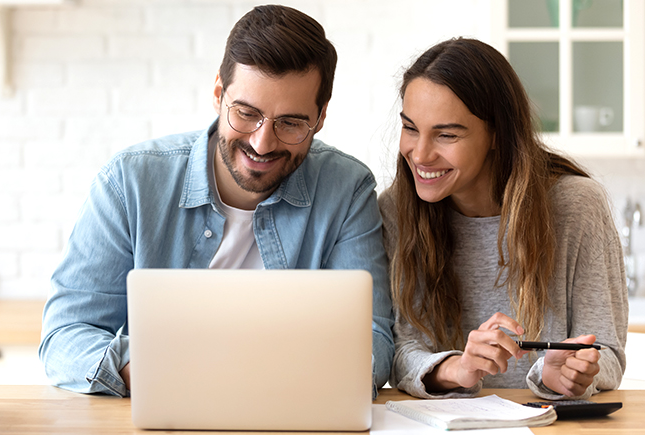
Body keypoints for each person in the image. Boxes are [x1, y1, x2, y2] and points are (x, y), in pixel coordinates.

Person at [40, 5, 394, 398]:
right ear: (217, 95)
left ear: (321, 117)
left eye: (290, 123)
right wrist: (148, 371)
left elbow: (372, 340)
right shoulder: (130, 182)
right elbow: (64, 336)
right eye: (247, 113)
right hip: (166, 411)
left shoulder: (347, 190)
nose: (262, 143)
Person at [379, 37, 627, 400]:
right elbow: (401, 350)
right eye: (410, 128)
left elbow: (606, 351)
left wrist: (567, 373)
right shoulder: (396, 209)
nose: (420, 154)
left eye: (446, 134)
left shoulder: (577, 206)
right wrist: (459, 369)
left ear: (498, 134)